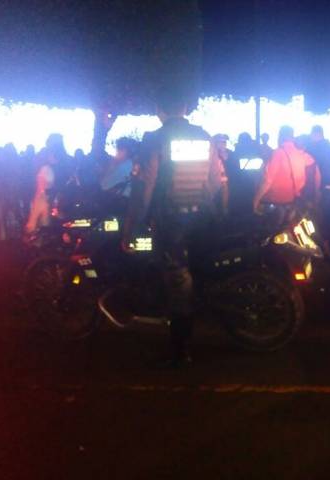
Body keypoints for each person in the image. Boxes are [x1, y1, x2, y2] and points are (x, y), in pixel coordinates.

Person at [123, 91, 211, 367]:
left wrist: (133, 224)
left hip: (170, 221)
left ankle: (180, 350)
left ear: (159, 110)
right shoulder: (203, 136)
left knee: (178, 282)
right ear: (184, 108)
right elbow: (214, 182)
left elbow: (146, 186)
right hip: (201, 219)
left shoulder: (155, 139)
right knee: (193, 276)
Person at [253, 126, 321, 226]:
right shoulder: (301, 154)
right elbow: (311, 178)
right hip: (292, 202)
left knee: (266, 230)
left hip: (274, 202)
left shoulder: (278, 153)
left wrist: (256, 200)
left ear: (280, 136)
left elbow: (267, 180)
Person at [207, 134, 230, 215]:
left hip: (225, 185)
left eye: (224, 142)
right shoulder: (212, 156)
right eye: (221, 142)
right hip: (214, 187)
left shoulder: (230, 154)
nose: (223, 144)